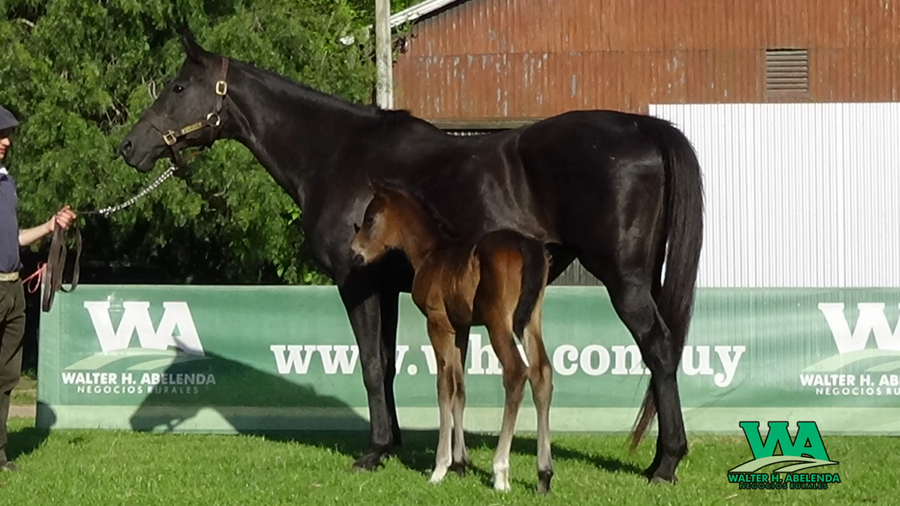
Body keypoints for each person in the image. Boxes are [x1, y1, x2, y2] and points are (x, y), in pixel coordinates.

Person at [0, 105, 76, 471]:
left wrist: (49, 227)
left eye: (7, 135)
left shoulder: (6, 183)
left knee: (7, 376)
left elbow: (13, 239)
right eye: (0, 135)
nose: (6, 141)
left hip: (12, 289)